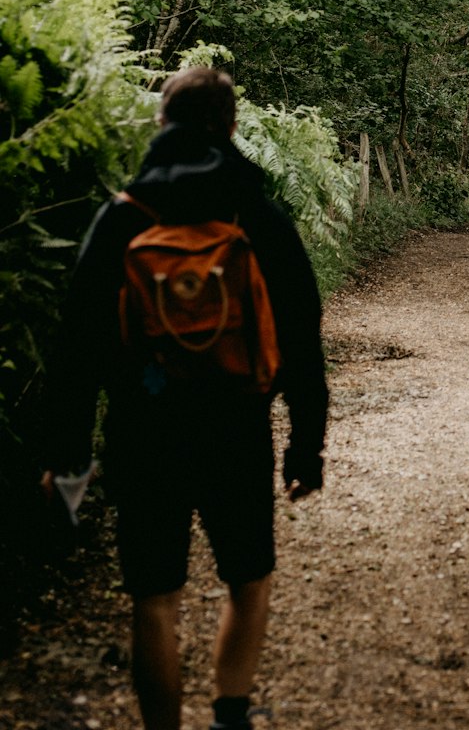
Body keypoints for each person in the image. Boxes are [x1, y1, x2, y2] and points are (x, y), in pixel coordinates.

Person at [40, 67, 329, 730]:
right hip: (237, 427)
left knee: (154, 599)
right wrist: (304, 446)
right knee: (249, 579)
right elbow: (300, 334)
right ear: (231, 128)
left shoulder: (122, 217)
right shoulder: (254, 213)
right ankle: (230, 714)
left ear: (160, 125)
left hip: (144, 432)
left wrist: (69, 457)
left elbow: (75, 347)